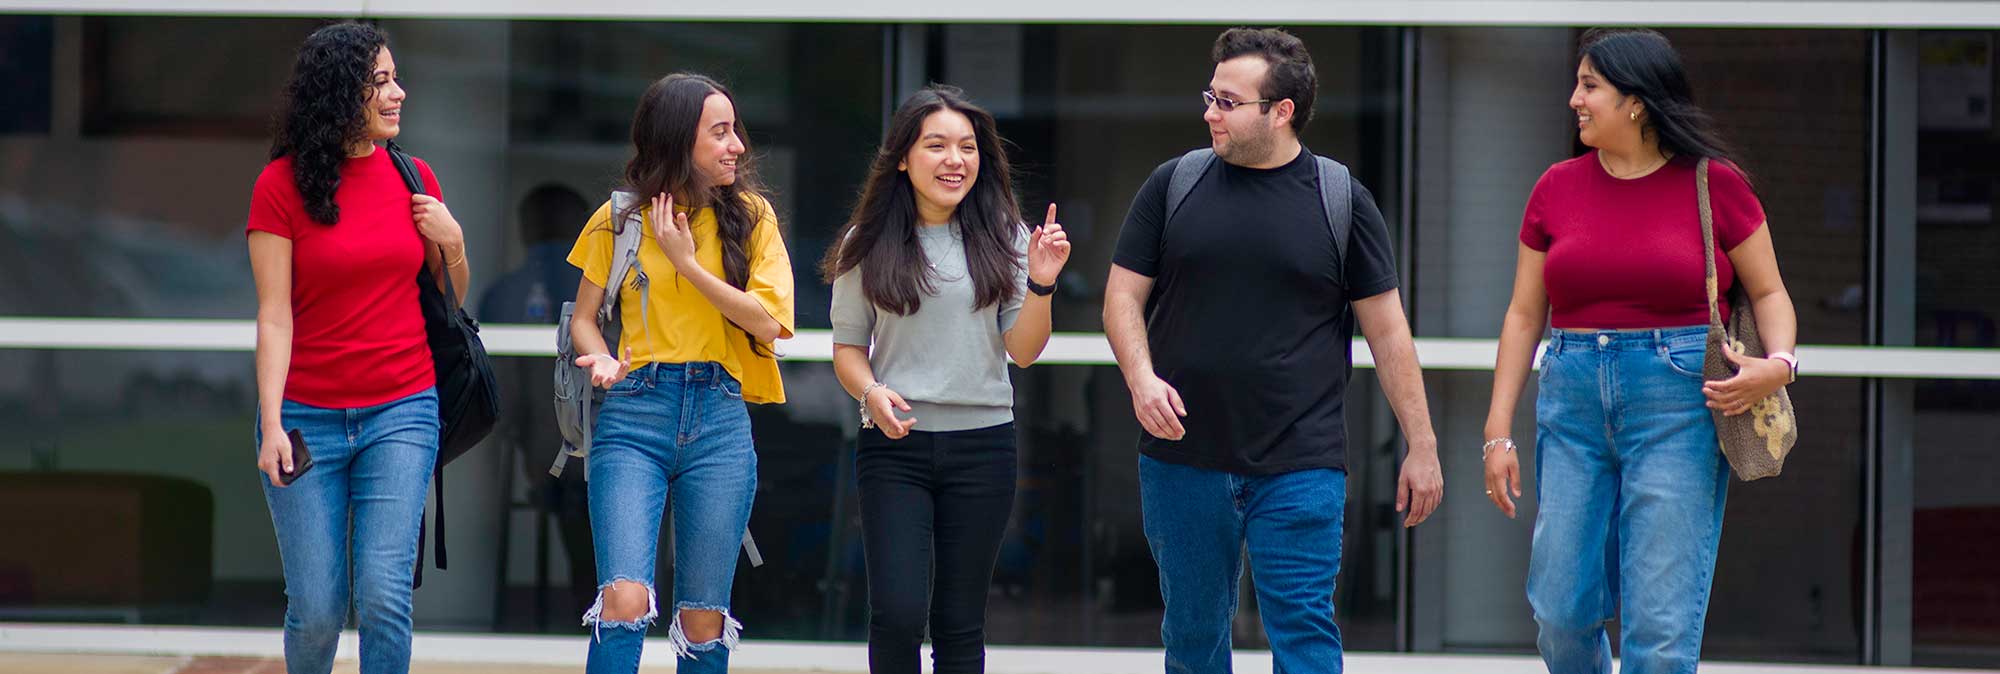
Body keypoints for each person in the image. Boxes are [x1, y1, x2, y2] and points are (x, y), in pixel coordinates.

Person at [1101, 27, 1442, 674]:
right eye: (1211, 96)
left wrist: (1421, 446)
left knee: (1306, 637)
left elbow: (1389, 332)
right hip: (1183, 458)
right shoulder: (1173, 185)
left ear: (1281, 112)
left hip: (1301, 460)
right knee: (1194, 635)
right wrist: (1141, 379)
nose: (1209, 112)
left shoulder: (1340, 200)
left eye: (1228, 101)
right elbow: (1121, 298)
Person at [1479, 28, 1799, 674]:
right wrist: (1497, 430)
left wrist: (1780, 363)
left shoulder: (1716, 185)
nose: (1574, 98)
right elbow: (1522, 314)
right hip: (1570, 400)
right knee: (1560, 611)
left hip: (1680, 403)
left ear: (1637, 102)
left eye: (1590, 85)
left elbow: (1770, 294)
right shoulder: (1555, 188)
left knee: (1659, 629)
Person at [246, 22, 472, 674]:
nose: (398, 93)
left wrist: (453, 242)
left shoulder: (413, 175)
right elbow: (273, 315)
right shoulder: (280, 186)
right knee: (317, 606)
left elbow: (449, 299)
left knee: (383, 595)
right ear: (340, 93)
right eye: (381, 82)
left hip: (400, 412)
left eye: (396, 78)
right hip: (304, 417)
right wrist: (271, 422)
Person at [820, 85, 1070, 674]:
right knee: (898, 613)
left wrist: (1041, 283)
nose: (955, 159)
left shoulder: (1007, 238)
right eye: (936, 145)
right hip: (895, 447)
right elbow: (848, 347)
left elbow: (1025, 351)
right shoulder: (867, 243)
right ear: (903, 157)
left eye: (967, 147)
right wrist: (871, 391)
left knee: (960, 622)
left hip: (984, 447)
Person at [565, 72, 795, 674]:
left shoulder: (751, 216)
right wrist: (604, 357)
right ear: (675, 142)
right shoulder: (617, 220)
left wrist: (687, 266)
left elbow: (770, 323)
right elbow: (584, 321)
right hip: (634, 411)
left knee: (702, 616)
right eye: (719, 133)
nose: (736, 146)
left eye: (734, 130)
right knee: (624, 597)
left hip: (719, 416)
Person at [478, 183, 593, 622]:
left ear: (525, 228)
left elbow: (498, 389)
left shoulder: (502, 292)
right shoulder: (600, 286)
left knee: (580, 544)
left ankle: (580, 618)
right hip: (608, 446)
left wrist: (520, 444)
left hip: (539, 455)